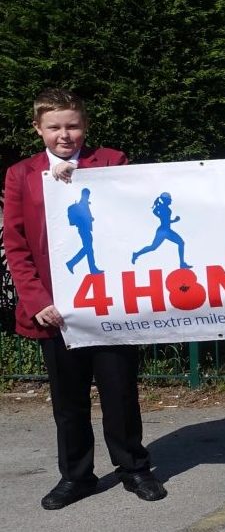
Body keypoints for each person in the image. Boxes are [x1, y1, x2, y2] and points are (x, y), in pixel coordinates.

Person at [2, 89, 167, 509]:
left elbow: (131, 215)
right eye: (54, 126)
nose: (64, 135)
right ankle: (77, 477)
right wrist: (37, 300)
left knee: (120, 392)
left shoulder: (112, 162)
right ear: (38, 128)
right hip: (55, 310)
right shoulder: (21, 174)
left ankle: (134, 468)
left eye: (72, 125)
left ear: (85, 126)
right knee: (68, 401)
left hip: (106, 303)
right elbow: (17, 245)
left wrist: (84, 182)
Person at [131, 192, 191, 269]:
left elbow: (155, 211)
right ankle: (136, 254)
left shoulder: (162, 207)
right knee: (179, 243)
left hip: (165, 230)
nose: (171, 201)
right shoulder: (166, 209)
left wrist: (160, 216)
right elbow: (165, 221)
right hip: (164, 231)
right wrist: (175, 220)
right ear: (165, 200)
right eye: (169, 200)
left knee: (154, 247)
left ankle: (136, 254)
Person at [64, 188, 100, 275]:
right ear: (85, 194)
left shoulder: (84, 203)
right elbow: (83, 217)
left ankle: (91, 268)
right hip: (84, 229)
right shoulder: (82, 204)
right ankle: (72, 263)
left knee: (88, 249)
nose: (88, 196)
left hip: (84, 229)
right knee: (88, 249)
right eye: (88, 194)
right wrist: (90, 218)